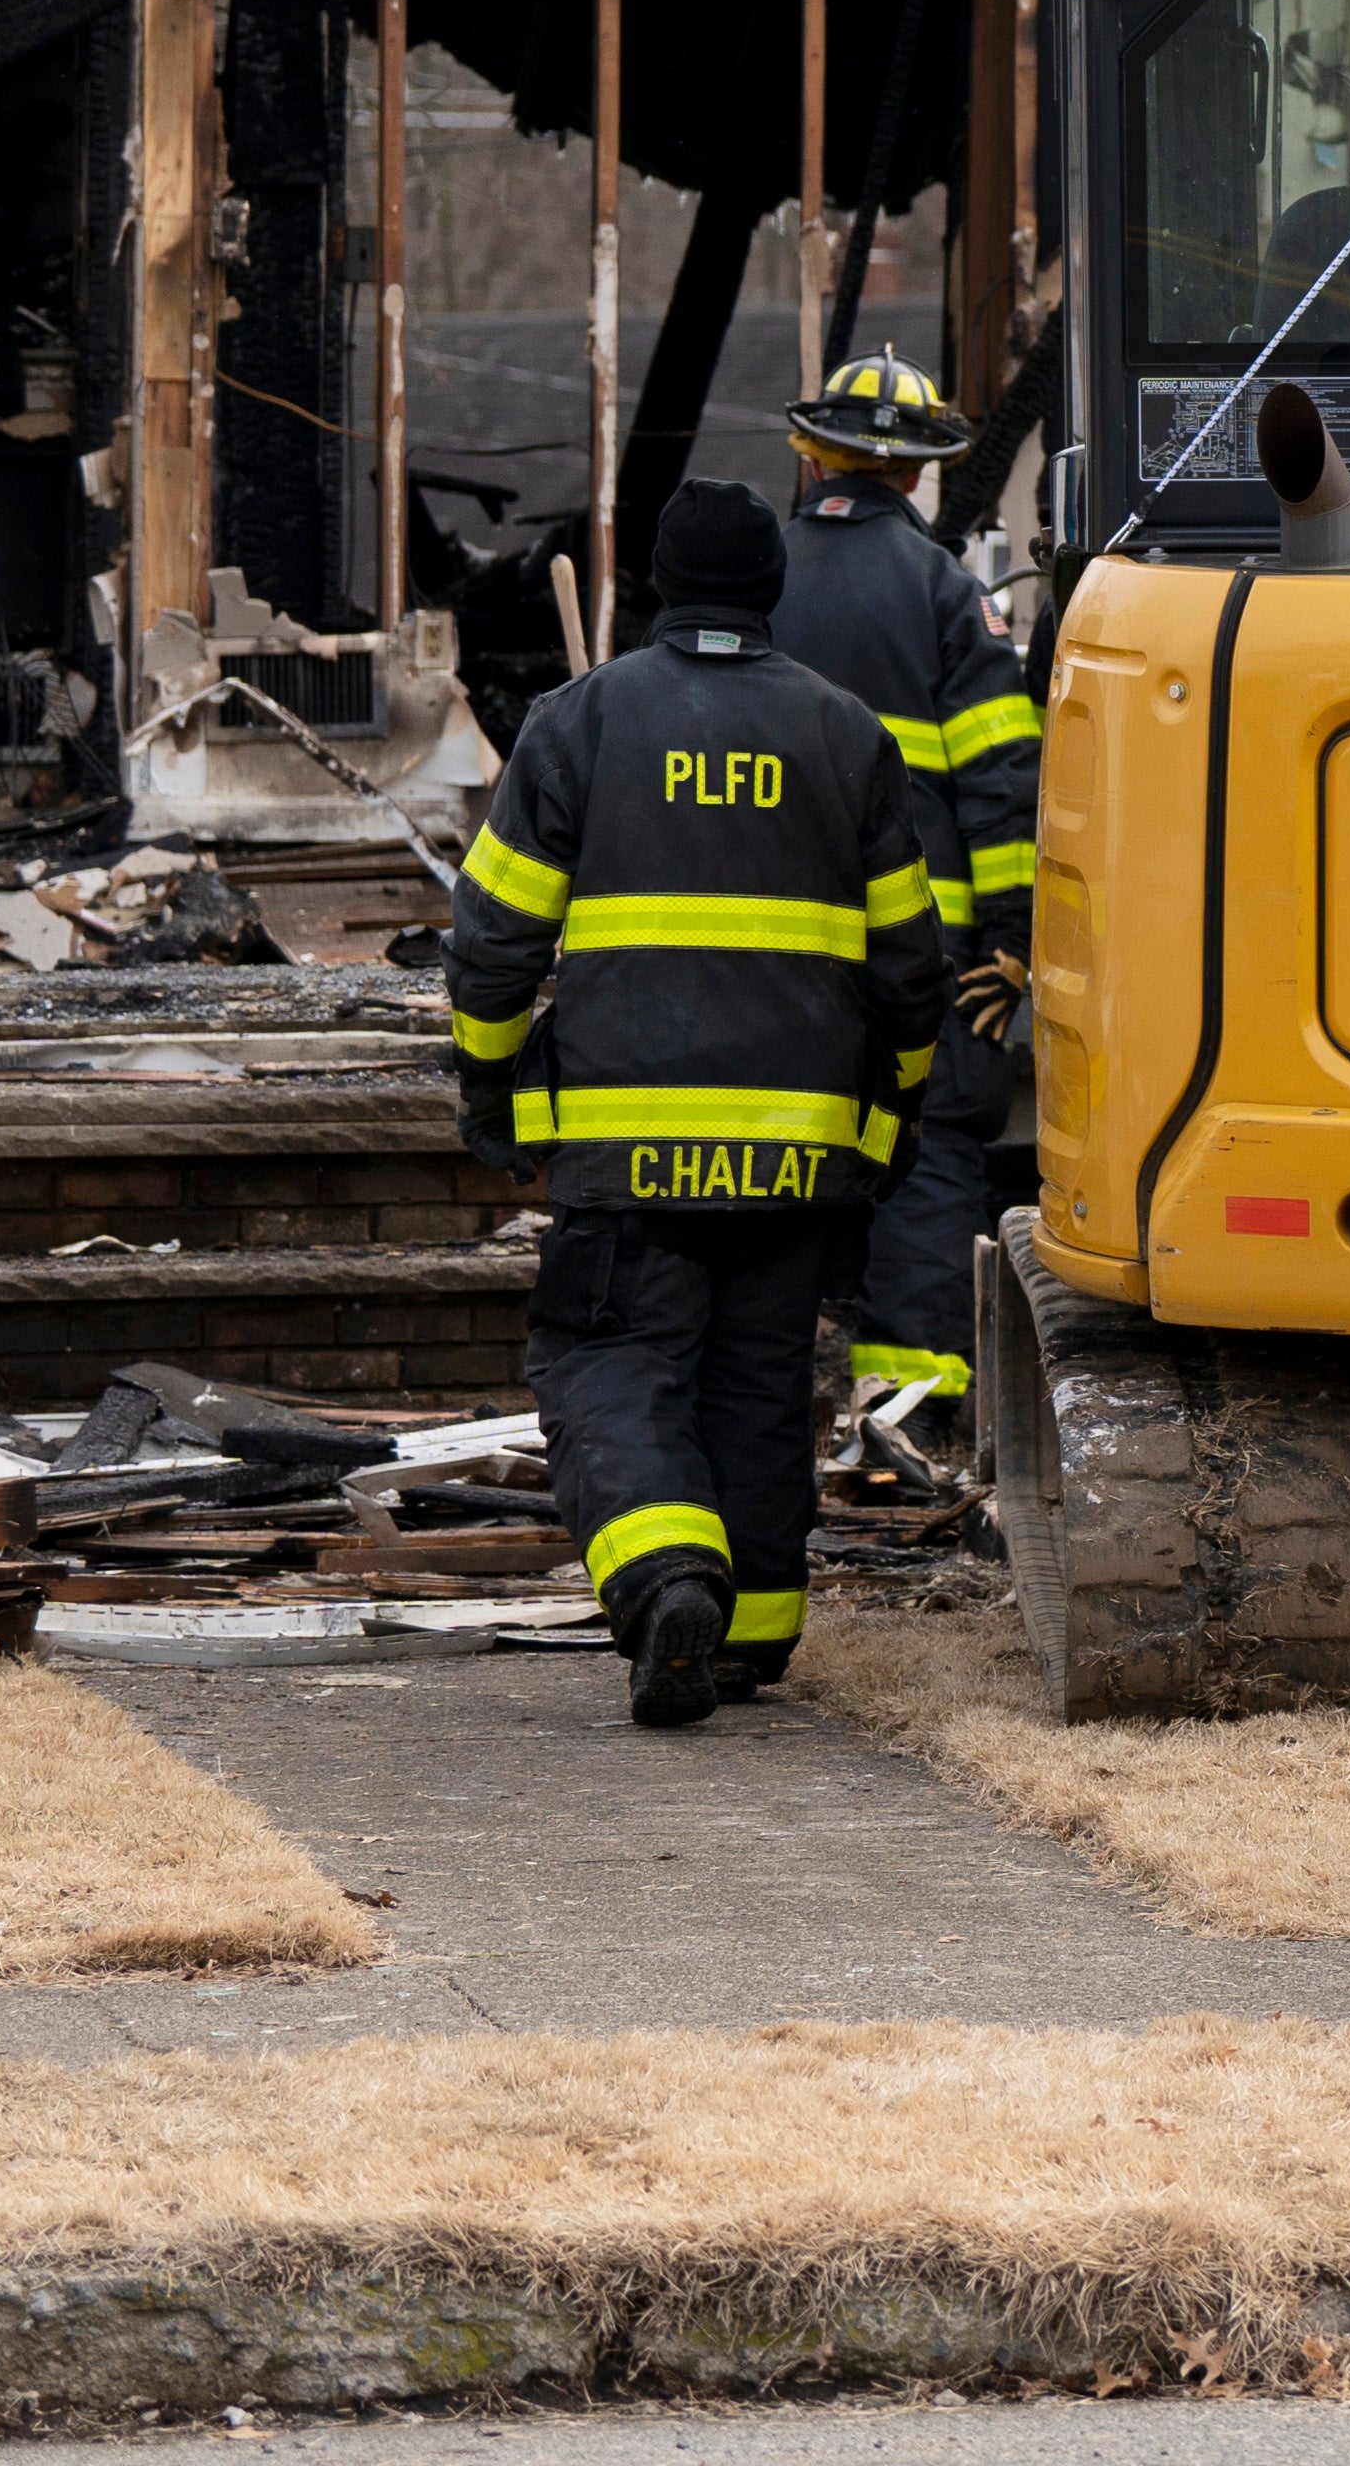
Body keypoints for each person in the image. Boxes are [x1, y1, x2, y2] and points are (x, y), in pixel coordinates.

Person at [451, 479, 949, 1729]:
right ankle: (753, 1634)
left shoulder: (582, 723)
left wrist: (494, 1081)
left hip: (624, 1153)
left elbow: (492, 941)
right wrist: (885, 1131)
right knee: (758, 1385)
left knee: (611, 1364)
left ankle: (670, 1578)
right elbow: (912, 976)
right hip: (796, 1162)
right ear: (771, 587)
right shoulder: (851, 736)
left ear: (663, 588)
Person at [765, 355, 1045, 1436]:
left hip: (772, 946)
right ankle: (916, 1415)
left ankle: (762, 1406)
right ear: (922, 473)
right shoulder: (945, 594)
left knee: (775, 1164)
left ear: (813, 452)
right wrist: (1012, 941)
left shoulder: (760, 580)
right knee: (926, 1160)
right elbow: (999, 778)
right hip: (925, 953)